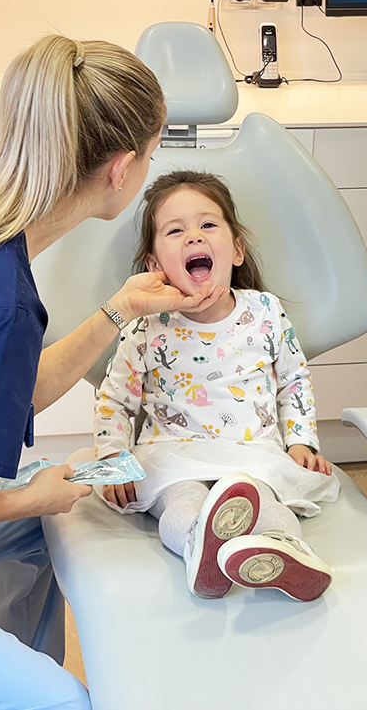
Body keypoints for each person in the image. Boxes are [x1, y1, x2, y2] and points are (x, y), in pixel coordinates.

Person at [0, 38, 227, 710]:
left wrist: (118, 310)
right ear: (121, 169)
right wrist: (29, 496)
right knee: (63, 701)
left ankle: (5, 666)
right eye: (152, 151)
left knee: (53, 531)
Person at [94, 170, 341, 603]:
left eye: (208, 225)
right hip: (173, 453)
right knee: (183, 501)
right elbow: (115, 398)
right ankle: (198, 546)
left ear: (237, 250)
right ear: (155, 266)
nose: (194, 237)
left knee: (263, 502)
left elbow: (294, 379)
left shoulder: (265, 310)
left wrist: (301, 440)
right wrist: (113, 457)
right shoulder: (147, 325)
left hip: (250, 456)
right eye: (175, 231)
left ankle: (285, 552)